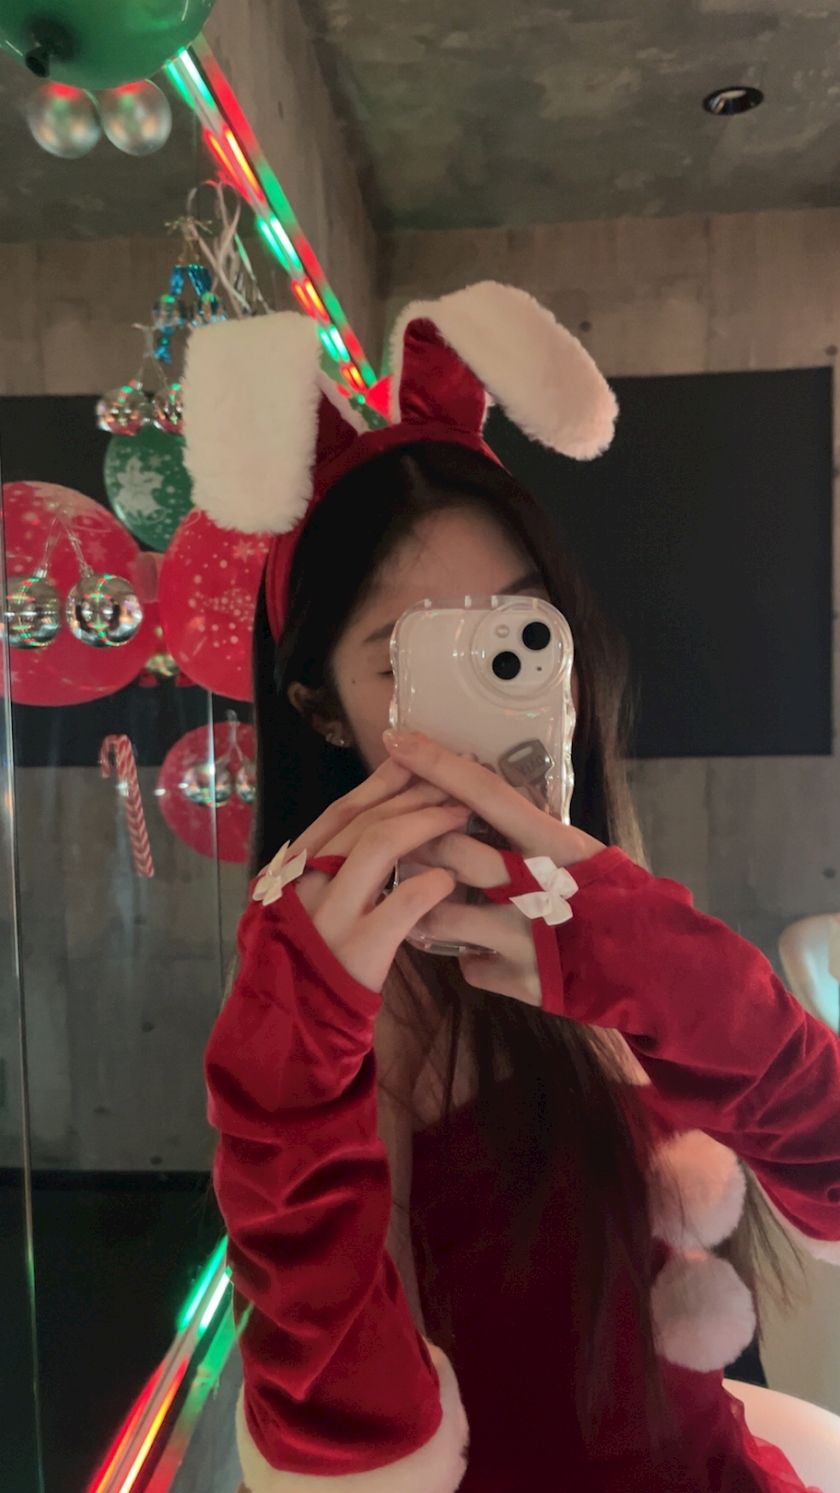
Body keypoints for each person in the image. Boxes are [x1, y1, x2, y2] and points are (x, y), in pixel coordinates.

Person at [182, 283, 840, 1493]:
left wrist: (688, 978)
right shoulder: (359, 999)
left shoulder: (599, 911)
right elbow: (353, 1434)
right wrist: (287, 1103)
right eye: (414, 655)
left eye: (519, 633)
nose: (489, 687)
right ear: (320, 707)